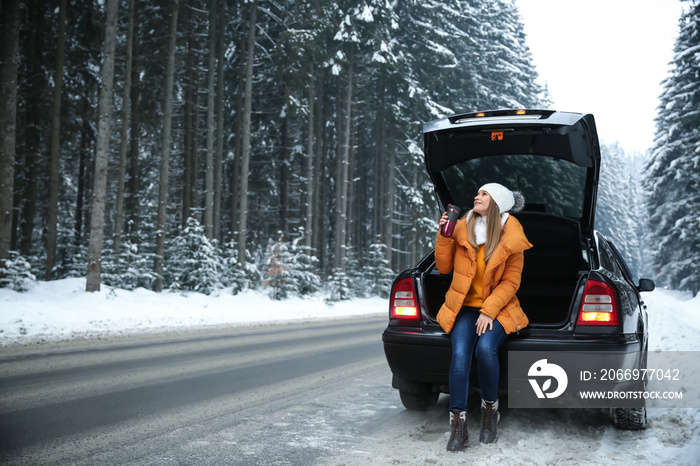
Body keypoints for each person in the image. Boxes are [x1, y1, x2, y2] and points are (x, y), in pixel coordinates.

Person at [435, 183, 532, 452]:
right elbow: (443, 268)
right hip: (465, 307)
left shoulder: (512, 237)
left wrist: (489, 311)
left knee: (486, 349)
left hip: (499, 308)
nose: (476, 197)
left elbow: (511, 282)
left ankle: (490, 413)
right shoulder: (461, 227)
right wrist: (444, 236)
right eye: (476, 193)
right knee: (460, 356)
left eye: (483, 194)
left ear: (497, 202)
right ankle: (459, 424)